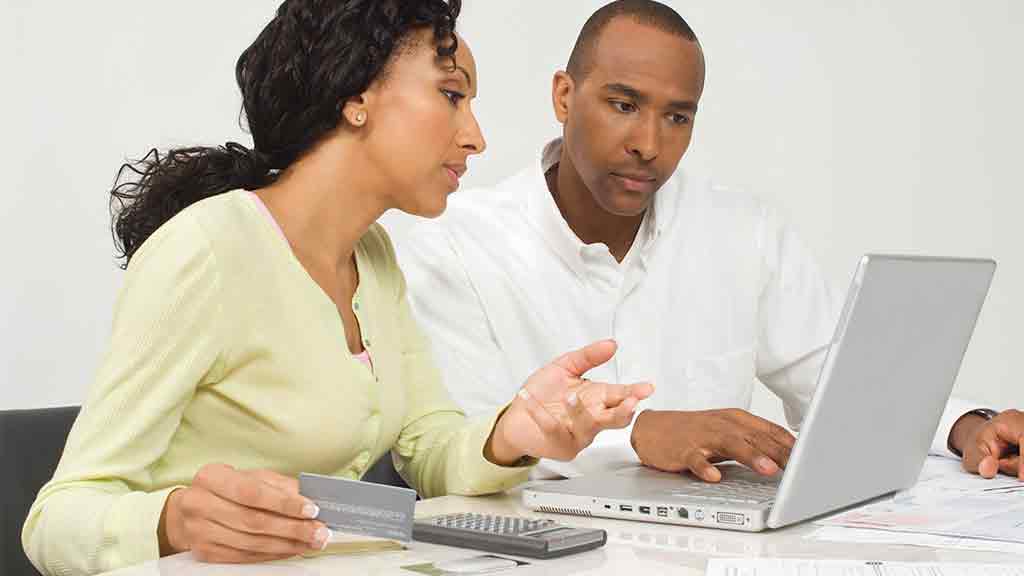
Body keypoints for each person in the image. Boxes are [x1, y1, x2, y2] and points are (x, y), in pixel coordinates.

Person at [21, 2, 655, 574]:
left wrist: (516, 431)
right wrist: (172, 520)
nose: (476, 137)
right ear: (357, 96)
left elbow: (428, 450)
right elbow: (58, 519)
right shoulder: (208, 252)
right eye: (452, 96)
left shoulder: (373, 257)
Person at [395, 0, 1024, 482]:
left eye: (677, 116)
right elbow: (459, 453)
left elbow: (837, 385)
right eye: (622, 105)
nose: (648, 143)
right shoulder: (452, 246)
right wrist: (639, 437)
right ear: (564, 96)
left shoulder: (743, 233)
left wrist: (974, 428)